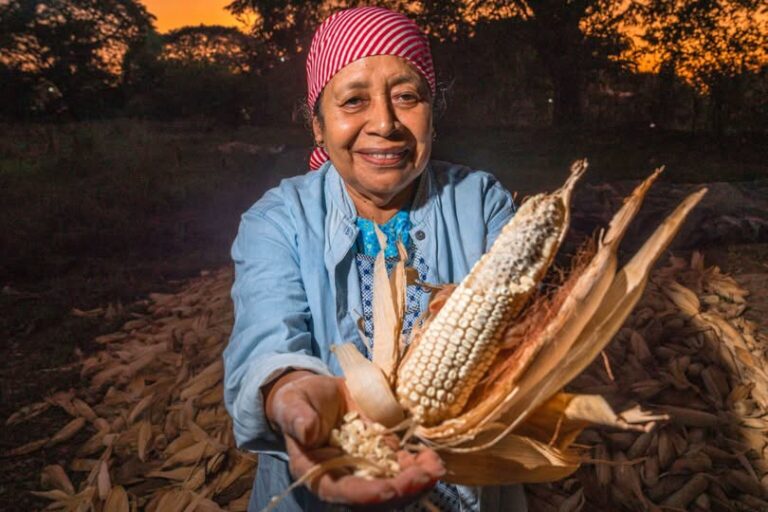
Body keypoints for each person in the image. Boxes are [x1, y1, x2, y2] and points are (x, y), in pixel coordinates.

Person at [223, 6, 527, 511]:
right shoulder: (277, 220)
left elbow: (532, 326)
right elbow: (264, 337)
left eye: (407, 96)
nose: (385, 123)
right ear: (318, 124)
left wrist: (497, 329)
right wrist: (292, 393)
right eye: (354, 100)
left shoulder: (483, 202)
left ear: (432, 111)